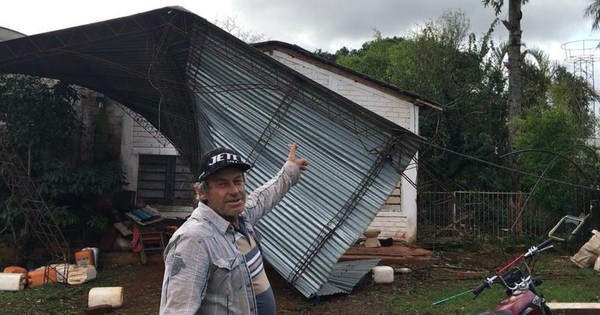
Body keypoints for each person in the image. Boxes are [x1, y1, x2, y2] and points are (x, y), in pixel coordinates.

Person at [160, 143, 308, 315]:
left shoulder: (242, 217)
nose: (235, 191)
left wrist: (291, 168)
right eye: (222, 184)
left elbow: (267, 194)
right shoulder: (194, 240)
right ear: (202, 193)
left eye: (238, 181)